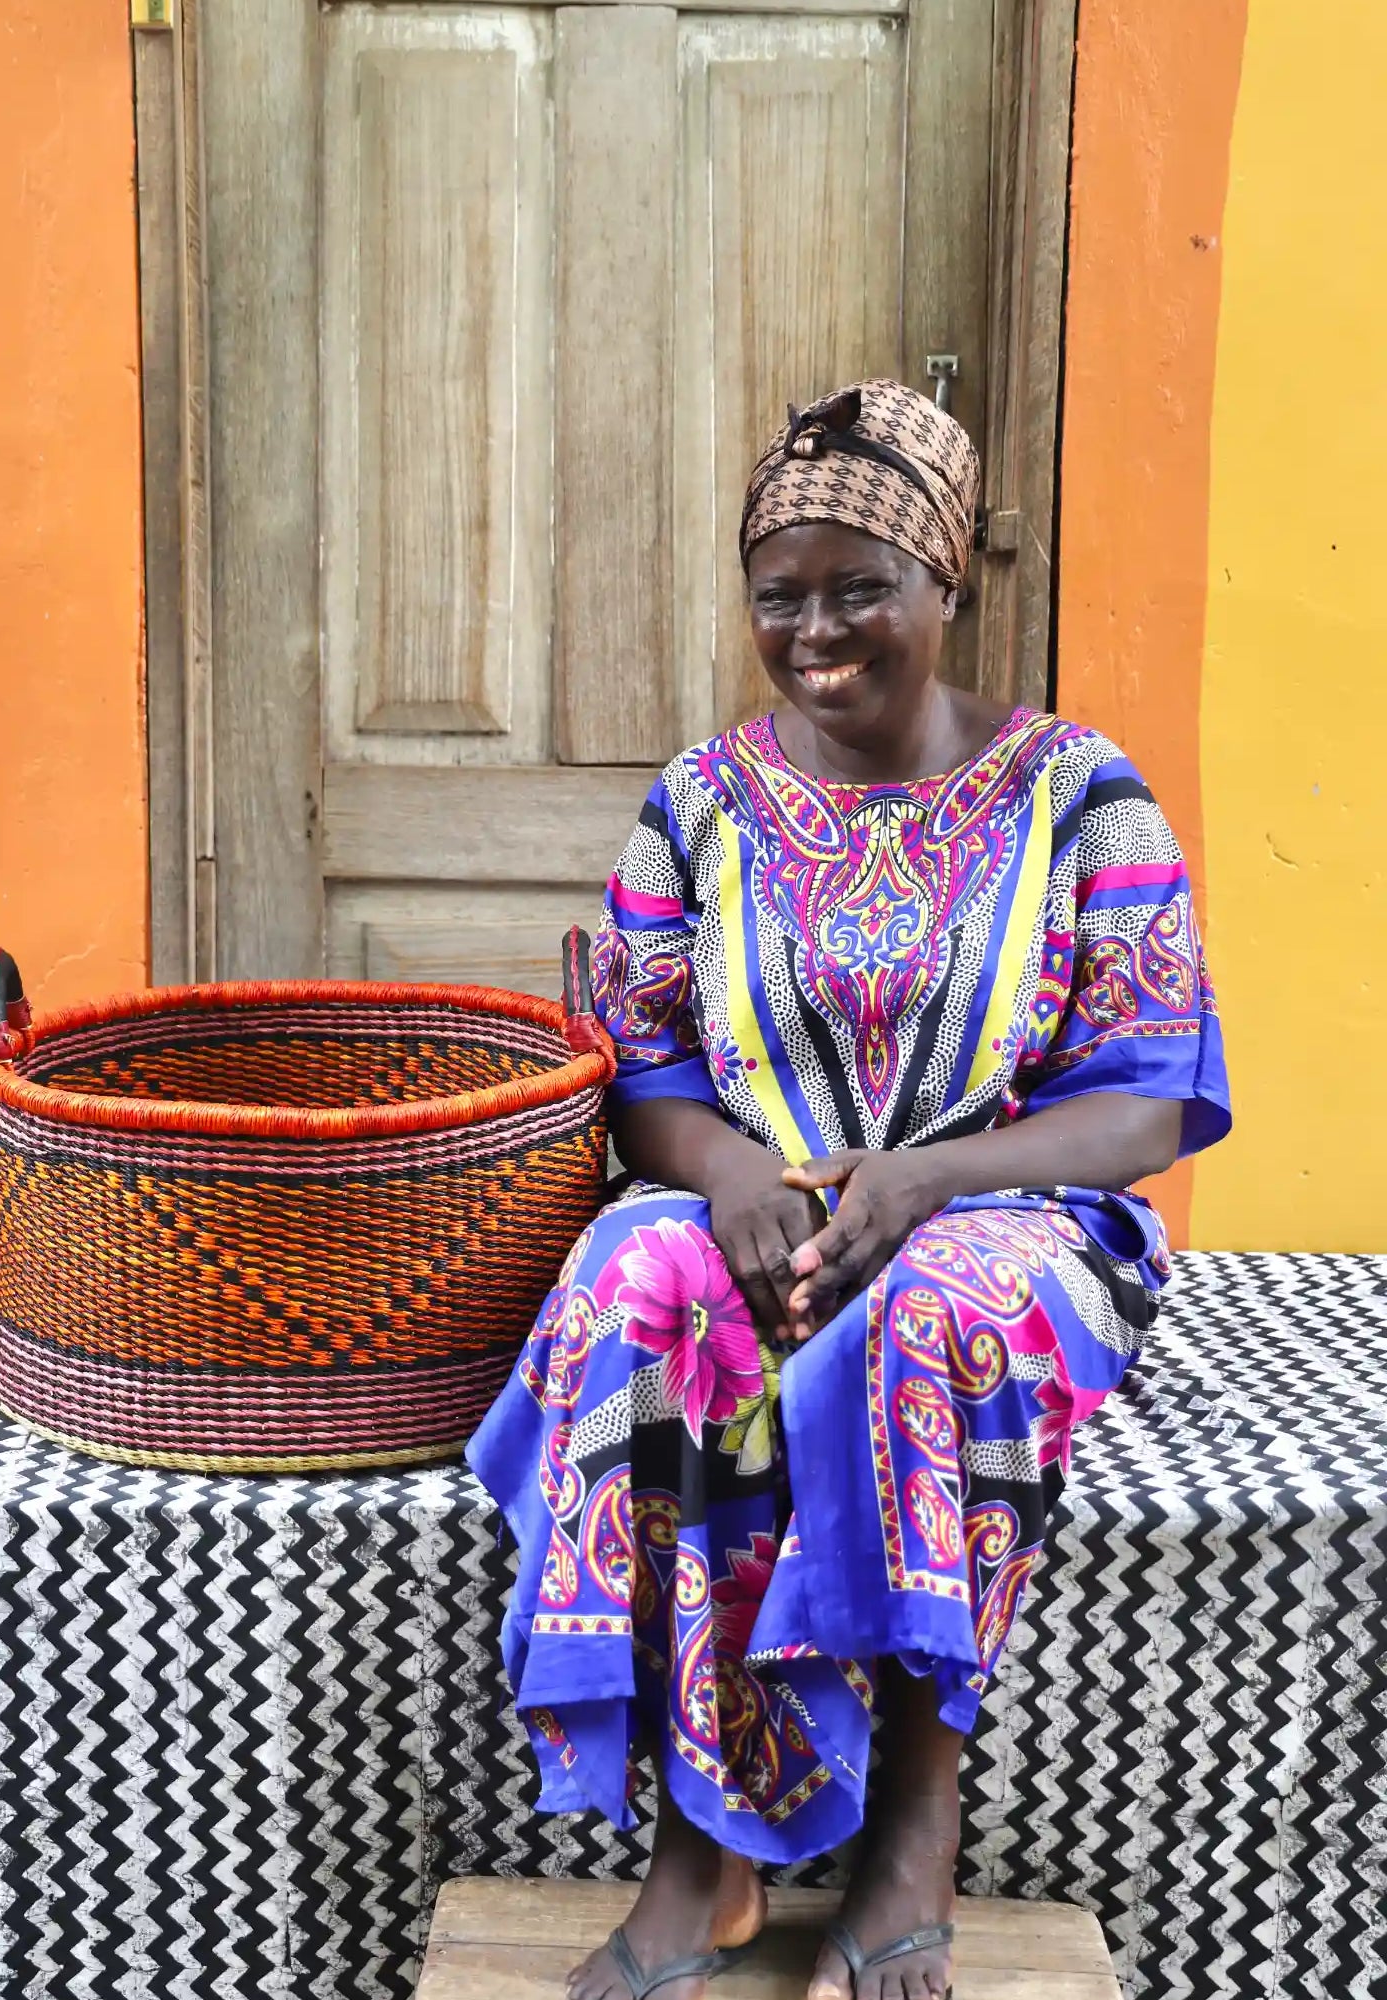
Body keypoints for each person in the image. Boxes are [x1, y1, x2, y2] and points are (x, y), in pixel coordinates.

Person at [467, 379, 1230, 2000]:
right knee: (635, 1292)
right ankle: (708, 1840)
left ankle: (911, 1820)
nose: (815, 631)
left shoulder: (1079, 795)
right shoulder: (699, 804)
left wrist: (926, 1181)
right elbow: (640, 1064)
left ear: (946, 582)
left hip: (1011, 1205)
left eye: (859, 588)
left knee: (917, 1321)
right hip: (752, 1192)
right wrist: (736, 1173)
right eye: (781, 596)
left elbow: (1147, 1102)